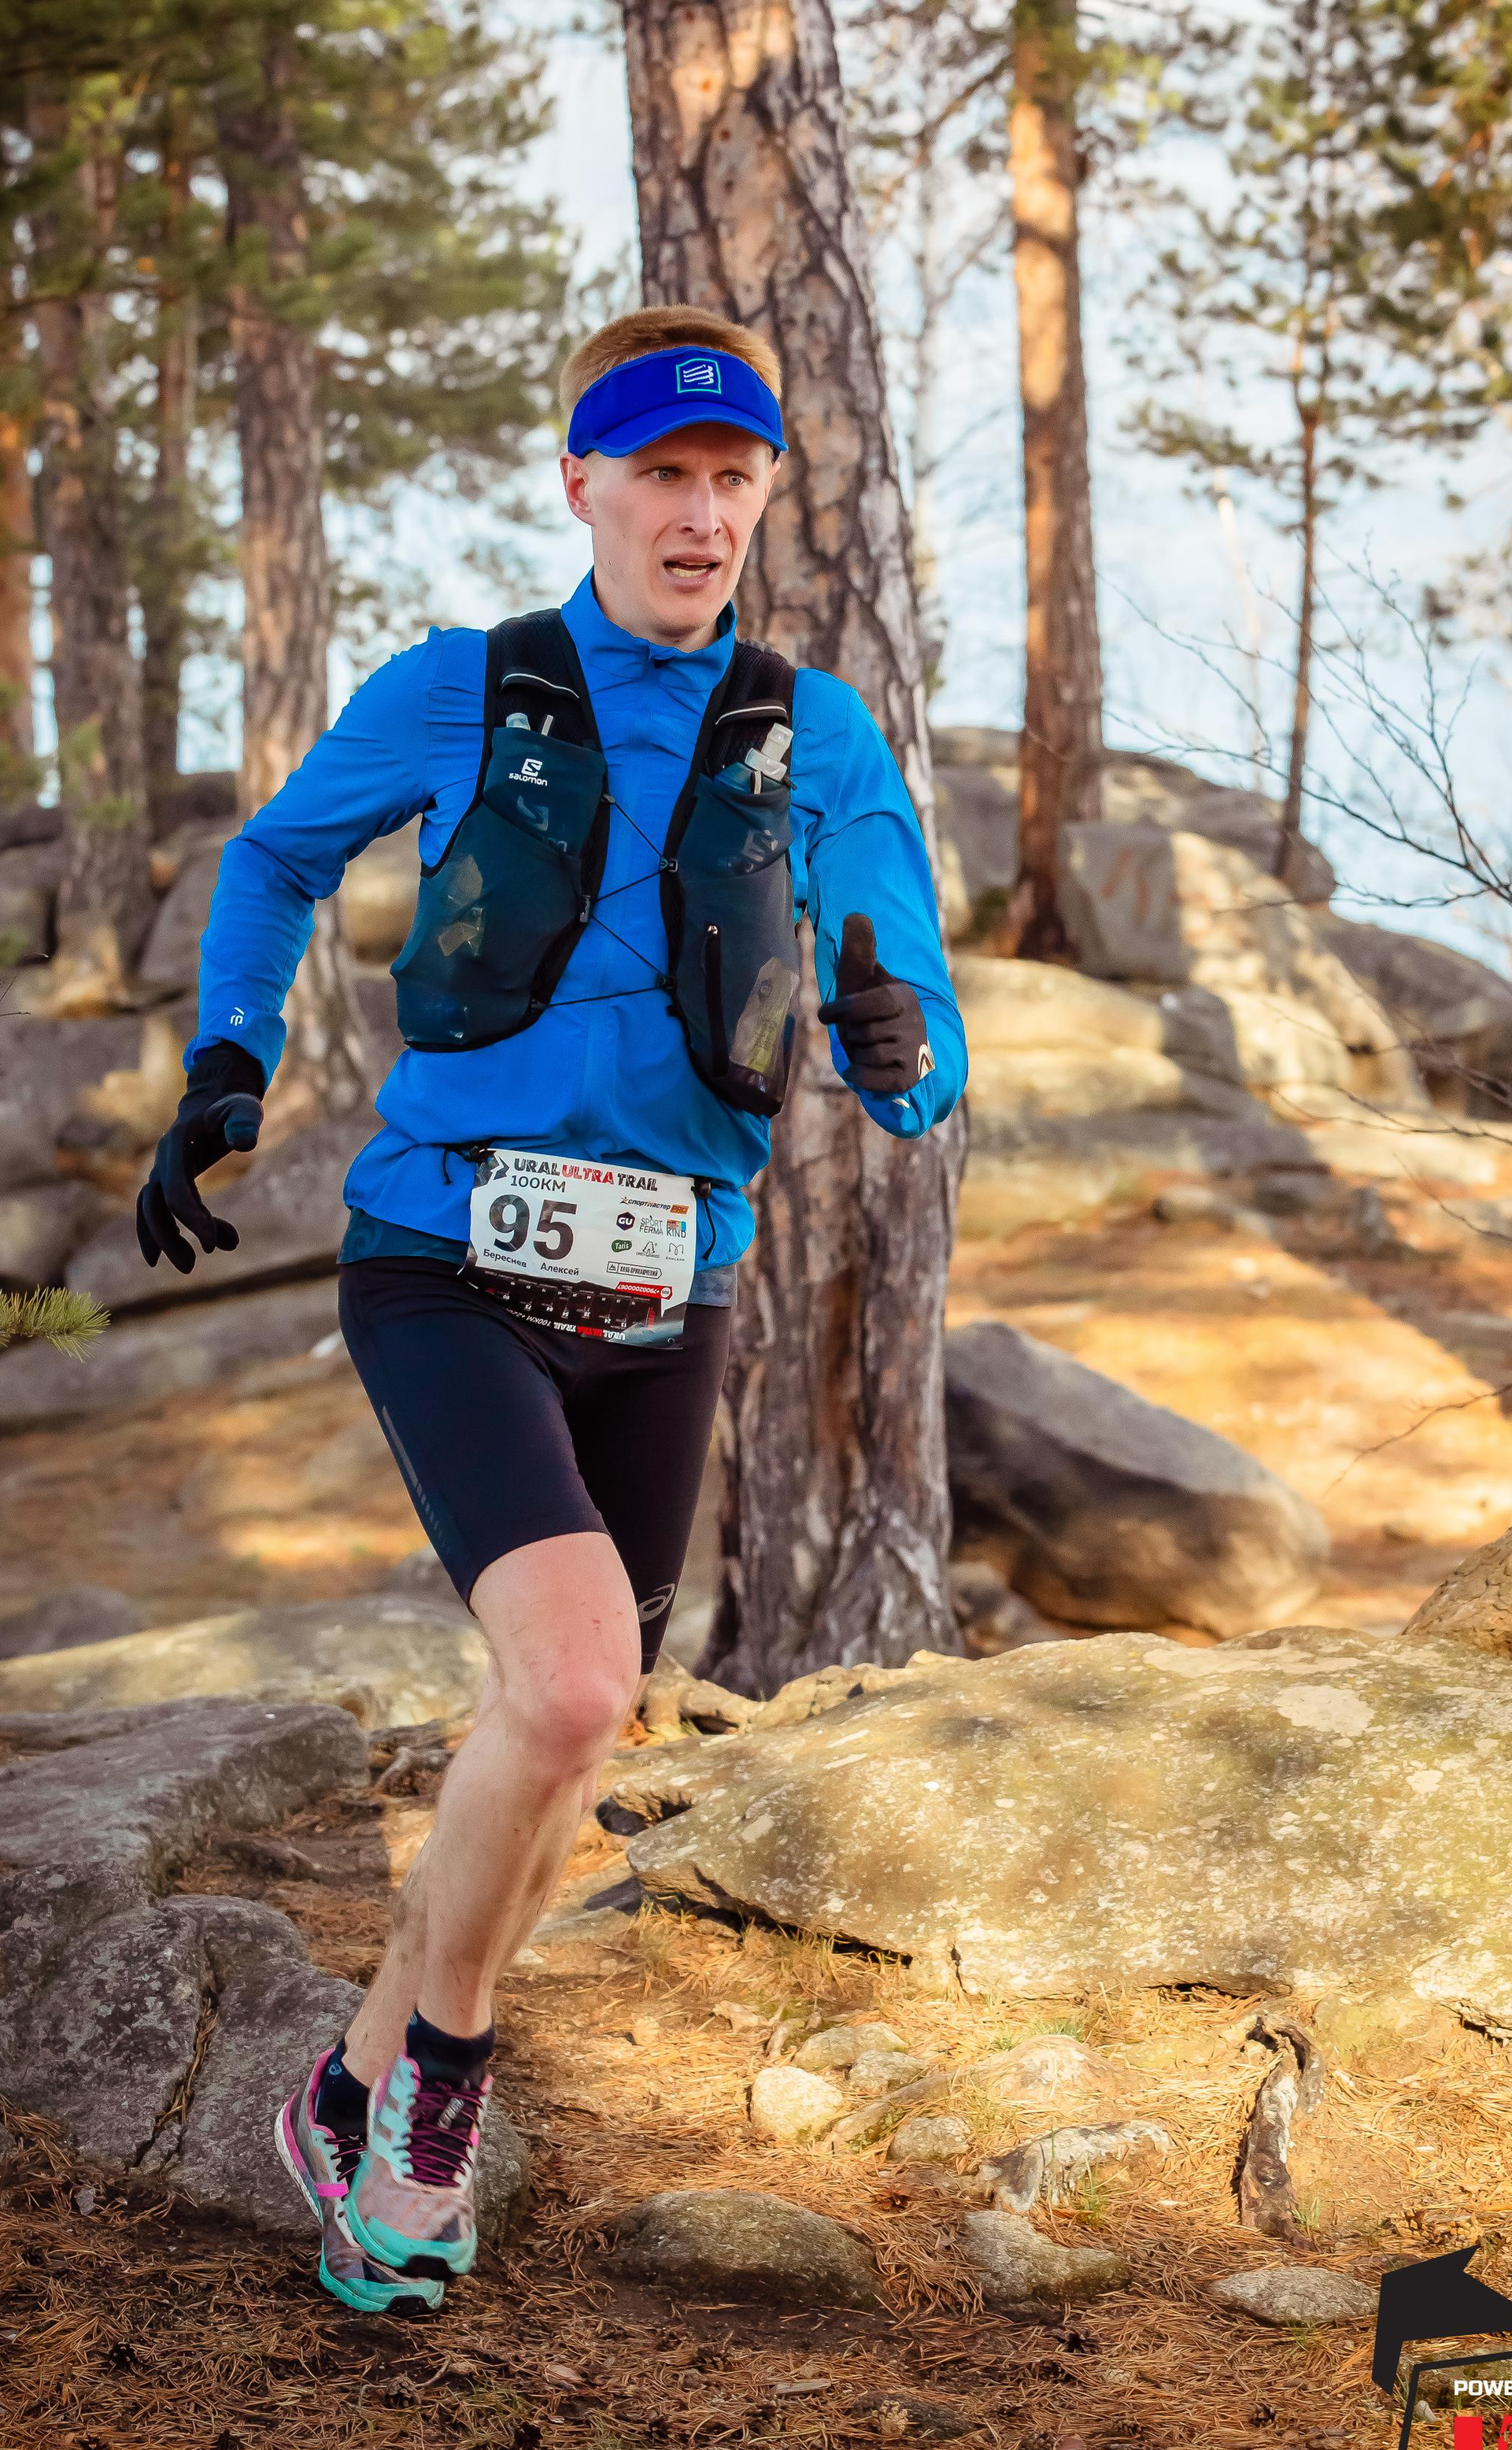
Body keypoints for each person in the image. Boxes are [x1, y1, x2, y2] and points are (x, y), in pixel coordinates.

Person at [135, 304, 967, 2310]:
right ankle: (438, 2092)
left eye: (729, 477)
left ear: (765, 493)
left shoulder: (816, 733)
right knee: (582, 1681)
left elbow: (919, 1045)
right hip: (444, 1257)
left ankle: (337, 2081)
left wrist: (884, 1039)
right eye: (658, 473)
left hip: (665, 1289)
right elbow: (268, 861)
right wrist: (223, 1067)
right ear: (579, 480)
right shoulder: (461, 691)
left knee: (553, 1720)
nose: (695, 516)